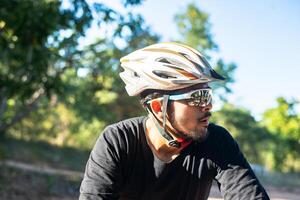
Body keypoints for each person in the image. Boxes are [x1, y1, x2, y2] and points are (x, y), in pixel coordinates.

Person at [79, 42, 270, 200]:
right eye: (197, 97)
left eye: (208, 96)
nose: (208, 106)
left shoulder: (216, 141)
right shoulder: (118, 141)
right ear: (158, 108)